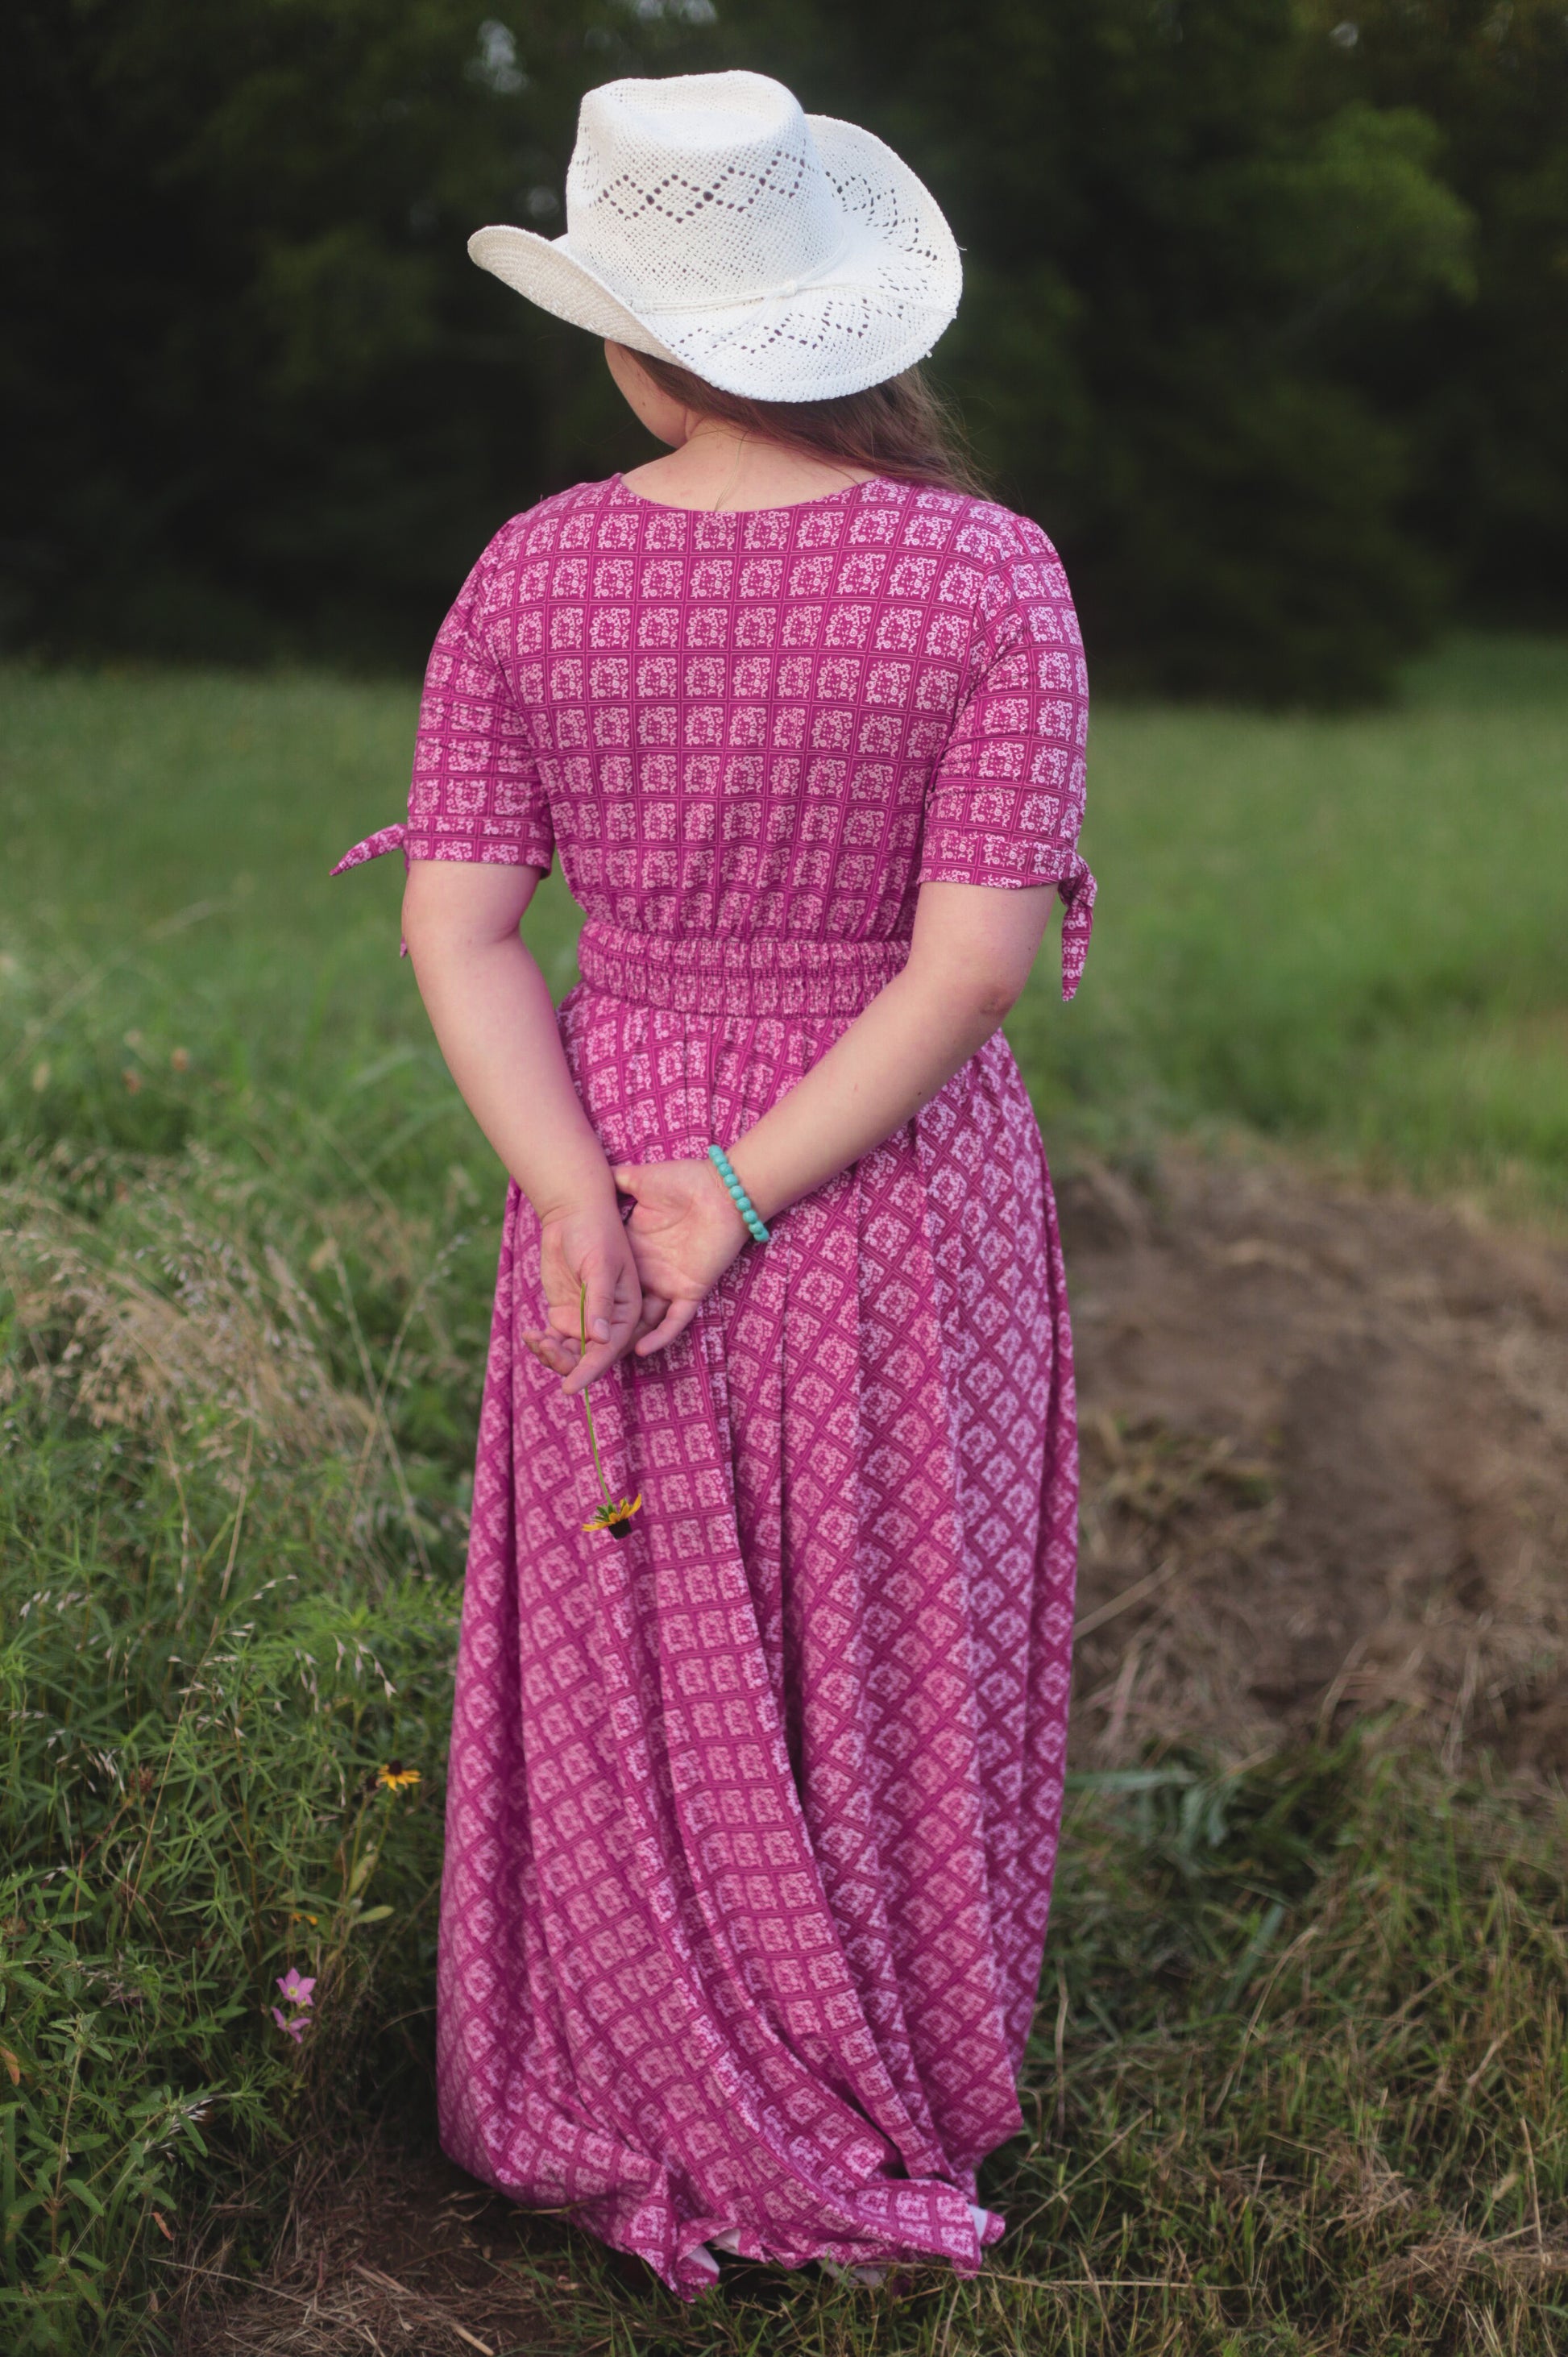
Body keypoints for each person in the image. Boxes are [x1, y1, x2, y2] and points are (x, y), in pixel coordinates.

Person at [334, 67, 1093, 2297]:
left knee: (623, 1632)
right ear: (857, 319)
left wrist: (586, 1191)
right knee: (882, 1643)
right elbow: (967, 969)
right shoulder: (988, 570)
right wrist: (734, 1195)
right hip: (874, 1182)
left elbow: (455, 927)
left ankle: (640, 2063)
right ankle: (872, 2071)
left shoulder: (536, 566)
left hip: (607, 1125)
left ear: (625, 329)